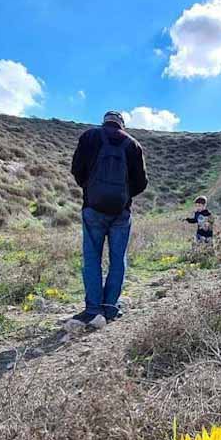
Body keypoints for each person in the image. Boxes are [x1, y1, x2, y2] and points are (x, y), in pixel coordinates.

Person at [70, 111, 147, 326]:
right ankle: (111, 308)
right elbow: (141, 182)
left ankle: (93, 310)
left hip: (93, 208)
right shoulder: (133, 145)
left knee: (92, 258)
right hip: (121, 213)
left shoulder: (89, 137)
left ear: (104, 122)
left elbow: (76, 169)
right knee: (118, 259)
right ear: (122, 124)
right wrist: (124, 195)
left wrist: (90, 188)